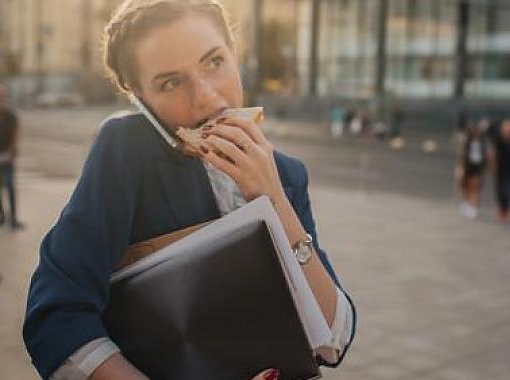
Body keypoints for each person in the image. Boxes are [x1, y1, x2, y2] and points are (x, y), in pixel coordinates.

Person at [22, 2, 356, 380]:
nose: (208, 98)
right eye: (170, 82)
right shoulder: (127, 152)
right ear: (139, 98)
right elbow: (55, 317)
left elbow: (334, 339)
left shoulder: (287, 173)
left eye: (214, 62)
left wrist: (274, 200)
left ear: (234, 52)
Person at [0, 84, 24, 229]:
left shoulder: (10, 116)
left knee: (9, 185)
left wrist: (12, 150)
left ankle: (13, 217)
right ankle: (1, 216)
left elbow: (15, 133)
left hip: (7, 155)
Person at [457, 122, 488, 220]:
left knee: (475, 187)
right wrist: (460, 168)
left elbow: (485, 157)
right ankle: (466, 204)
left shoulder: (482, 144)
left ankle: (473, 207)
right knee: (466, 187)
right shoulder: (467, 142)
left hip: (477, 168)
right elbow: (462, 157)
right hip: (467, 167)